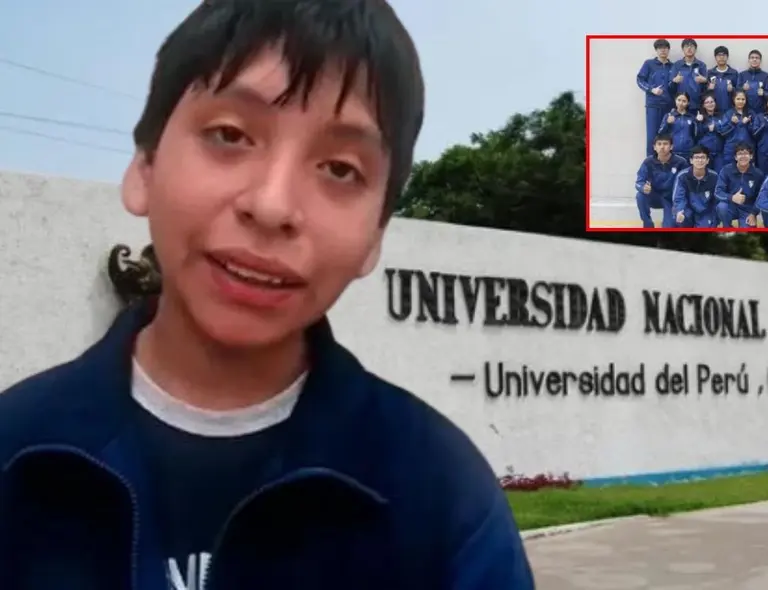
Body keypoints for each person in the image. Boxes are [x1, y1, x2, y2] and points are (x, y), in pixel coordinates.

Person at [0, 2, 535, 588]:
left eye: (338, 169)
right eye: (229, 135)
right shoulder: (15, 451)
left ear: (375, 237)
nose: (273, 206)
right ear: (144, 167)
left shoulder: (440, 496)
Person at [635, 133, 688, 228]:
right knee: (640, 195)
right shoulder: (648, 162)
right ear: (654, 147)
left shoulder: (681, 162)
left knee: (669, 227)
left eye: (665, 144)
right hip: (655, 197)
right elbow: (639, 182)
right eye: (659, 144)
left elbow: (686, 184)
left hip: (672, 200)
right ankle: (648, 224)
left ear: (671, 146)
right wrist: (643, 188)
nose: (662, 147)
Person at [637, 39, 674, 156]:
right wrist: (651, 89)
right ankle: (651, 165)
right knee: (652, 138)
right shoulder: (649, 64)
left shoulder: (673, 66)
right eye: (660, 48)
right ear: (656, 50)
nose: (663, 50)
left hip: (669, 107)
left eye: (665, 48)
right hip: (653, 106)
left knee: (668, 138)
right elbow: (639, 79)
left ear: (668, 50)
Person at [715, 142, 765, 228]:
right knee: (721, 207)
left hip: (748, 209)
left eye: (746, 153)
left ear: (751, 156)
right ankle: (727, 227)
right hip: (730, 206)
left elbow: (761, 197)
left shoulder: (758, 174)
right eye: (740, 154)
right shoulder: (726, 170)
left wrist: (753, 213)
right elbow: (718, 192)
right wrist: (732, 197)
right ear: (735, 157)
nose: (743, 156)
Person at [672, 146, 720, 228]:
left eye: (703, 157)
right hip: (687, 210)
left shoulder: (714, 177)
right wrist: (680, 211)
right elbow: (678, 198)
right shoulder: (682, 176)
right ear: (691, 160)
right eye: (697, 157)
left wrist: (714, 219)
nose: (700, 160)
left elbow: (716, 201)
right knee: (679, 220)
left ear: (707, 160)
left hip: (705, 212)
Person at [668, 38, 708, 114]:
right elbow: (670, 87)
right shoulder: (677, 65)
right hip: (681, 105)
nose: (689, 48)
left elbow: (707, 88)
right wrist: (674, 81)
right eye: (686, 46)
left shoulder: (701, 65)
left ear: (695, 49)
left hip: (697, 105)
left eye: (692, 46)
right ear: (683, 49)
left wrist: (705, 81)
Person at [719, 89, 754, 169]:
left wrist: (748, 123)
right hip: (731, 148)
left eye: (743, 99)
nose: (740, 101)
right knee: (729, 171)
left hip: (747, 149)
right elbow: (722, 132)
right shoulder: (728, 114)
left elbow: (756, 133)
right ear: (733, 100)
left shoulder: (750, 113)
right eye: (738, 99)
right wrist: (731, 123)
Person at [659, 92, 697, 161]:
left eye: (684, 101)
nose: (681, 103)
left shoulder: (691, 117)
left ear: (688, 103)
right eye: (679, 100)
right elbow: (660, 133)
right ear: (675, 100)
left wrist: (698, 122)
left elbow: (696, 135)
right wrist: (667, 123)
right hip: (672, 152)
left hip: (688, 152)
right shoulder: (669, 115)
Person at [694, 94, 726, 172]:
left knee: (719, 174)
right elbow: (696, 134)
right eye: (707, 102)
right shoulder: (700, 117)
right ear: (703, 105)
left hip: (719, 153)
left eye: (712, 102)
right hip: (705, 153)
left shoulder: (721, 116)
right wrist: (699, 122)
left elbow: (725, 131)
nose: (710, 104)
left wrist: (715, 128)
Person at [707, 45, 739, 113]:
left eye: (724, 55)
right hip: (713, 110)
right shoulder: (710, 73)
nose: (721, 57)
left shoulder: (734, 73)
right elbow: (704, 93)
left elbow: (738, 92)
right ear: (715, 57)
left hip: (730, 110)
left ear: (727, 57)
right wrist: (709, 88)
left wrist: (732, 89)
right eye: (719, 55)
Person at [738, 49, 768, 114]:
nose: (754, 59)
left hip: (761, 112)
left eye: (757, 58)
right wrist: (743, 89)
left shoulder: (766, 76)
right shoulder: (742, 75)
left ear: (760, 61)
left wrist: (763, 93)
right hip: (745, 111)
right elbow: (736, 92)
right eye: (752, 58)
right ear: (749, 60)